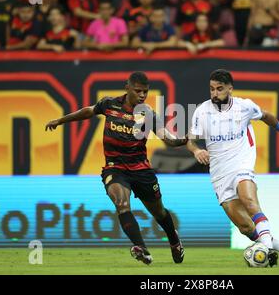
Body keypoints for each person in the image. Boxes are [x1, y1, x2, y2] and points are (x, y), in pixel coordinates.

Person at [45, 71, 186, 265]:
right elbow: (88, 111)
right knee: (121, 204)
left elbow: (167, 139)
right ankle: (141, 248)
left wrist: (183, 140)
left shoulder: (148, 114)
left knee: (159, 212)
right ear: (127, 87)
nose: (143, 96)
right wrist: (61, 120)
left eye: (146, 92)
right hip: (115, 168)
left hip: (141, 170)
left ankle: (173, 239)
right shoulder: (109, 104)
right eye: (138, 91)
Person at [186, 69, 279, 266]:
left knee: (249, 200)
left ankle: (265, 249)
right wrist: (196, 151)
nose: (214, 93)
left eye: (219, 89)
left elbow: (267, 116)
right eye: (212, 89)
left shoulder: (244, 106)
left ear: (230, 88)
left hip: (241, 164)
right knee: (245, 226)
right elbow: (191, 141)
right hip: (219, 174)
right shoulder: (202, 111)